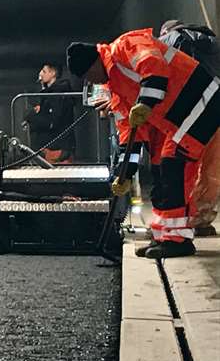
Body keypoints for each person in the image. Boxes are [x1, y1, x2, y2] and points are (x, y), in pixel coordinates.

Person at [68, 29, 220, 259]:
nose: (92, 82)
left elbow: (153, 67)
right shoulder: (117, 92)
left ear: (94, 63)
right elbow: (130, 140)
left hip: (201, 99)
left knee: (174, 162)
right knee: (160, 167)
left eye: (89, 76)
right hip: (178, 117)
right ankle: (164, 235)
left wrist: (146, 102)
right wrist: (125, 174)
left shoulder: (126, 46)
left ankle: (178, 240)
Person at [159, 19, 220, 236]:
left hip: (192, 111)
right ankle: (202, 220)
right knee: (212, 170)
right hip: (217, 106)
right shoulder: (212, 42)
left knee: (185, 166)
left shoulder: (170, 40)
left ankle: (182, 220)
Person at [22, 63, 77, 161]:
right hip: (52, 147)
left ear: (53, 73)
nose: (40, 74)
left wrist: (31, 117)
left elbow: (53, 122)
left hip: (56, 148)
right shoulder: (50, 94)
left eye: (44, 71)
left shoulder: (57, 95)